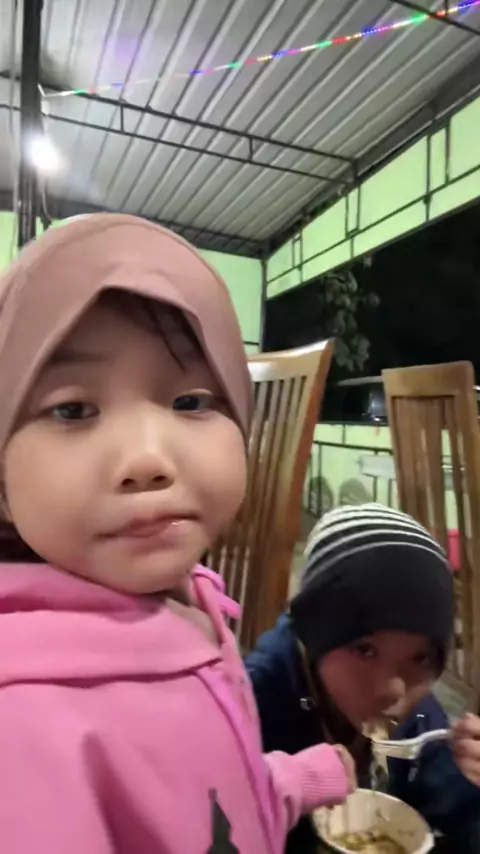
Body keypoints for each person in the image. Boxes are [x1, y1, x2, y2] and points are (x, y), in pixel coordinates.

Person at [0, 214, 354, 853]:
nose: (146, 458)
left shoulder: (191, 597)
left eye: (191, 402)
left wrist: (297, 780)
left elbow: (210, 803)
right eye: (73, 409)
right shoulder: (25, 727)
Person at [245, 503, 480, 853]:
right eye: (365, 650)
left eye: (421, 658)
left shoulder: (418, 719)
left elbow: (459, 807)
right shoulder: (253, 701)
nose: (393, 690)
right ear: (314, 636)